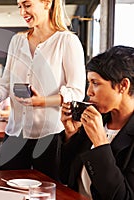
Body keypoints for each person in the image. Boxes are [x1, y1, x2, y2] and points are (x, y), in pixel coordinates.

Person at [0, 0, 86, 181]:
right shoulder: (17, 41)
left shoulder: (67, 41)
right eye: (19, 6)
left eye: (27, 5)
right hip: (15, 133)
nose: (22, 12)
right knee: (5, 186)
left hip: (50, 136)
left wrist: (42, 101)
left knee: (48, 190)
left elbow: (76, 91)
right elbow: (5, 83)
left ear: (47, 3)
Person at [60, 45, 134, 199]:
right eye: (89, 83)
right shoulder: (95, 121)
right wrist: (71, 135)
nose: (88, 92)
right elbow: (64, 177)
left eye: (95, 83)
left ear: (123, 86)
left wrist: (100, 144)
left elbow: (124, 197)